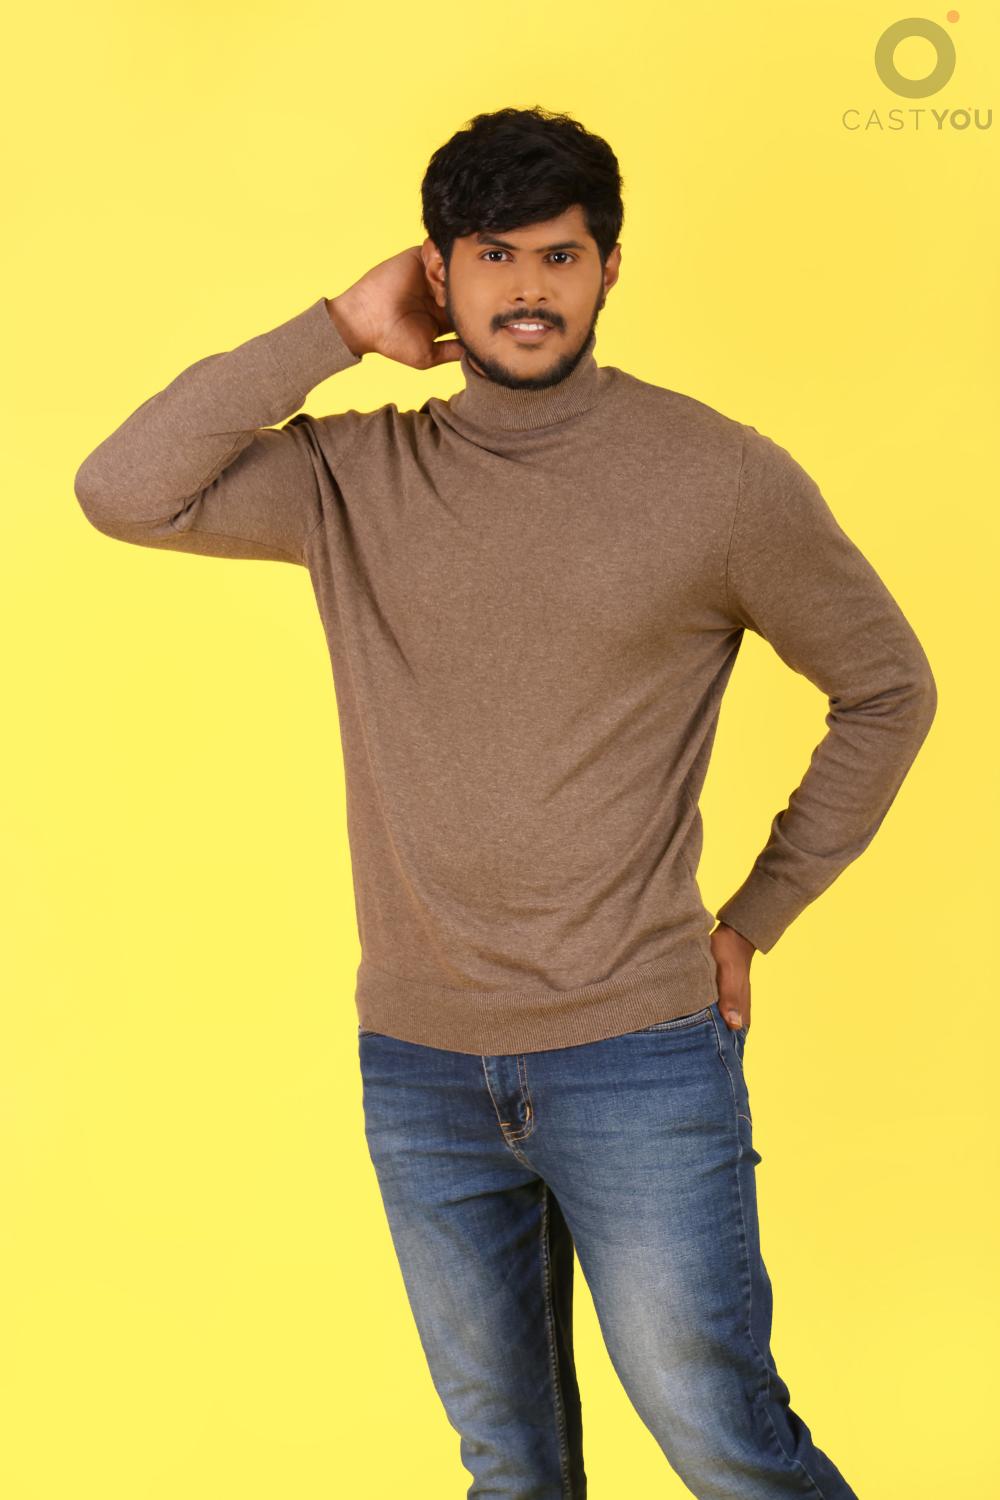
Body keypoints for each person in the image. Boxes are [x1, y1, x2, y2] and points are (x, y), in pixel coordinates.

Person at [75, 105, 936, 1498]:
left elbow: (888, 688)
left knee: (728, 1444)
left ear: (609, 271)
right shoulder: (354, 478)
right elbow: (123, 489)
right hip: (419, 1062)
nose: (529, 289)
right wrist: (333, 330)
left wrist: (758, 914)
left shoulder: (718, 477)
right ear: (439, 274)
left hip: (638, 1052)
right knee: (508, 1468)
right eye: (493, 256)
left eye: (560, 256)